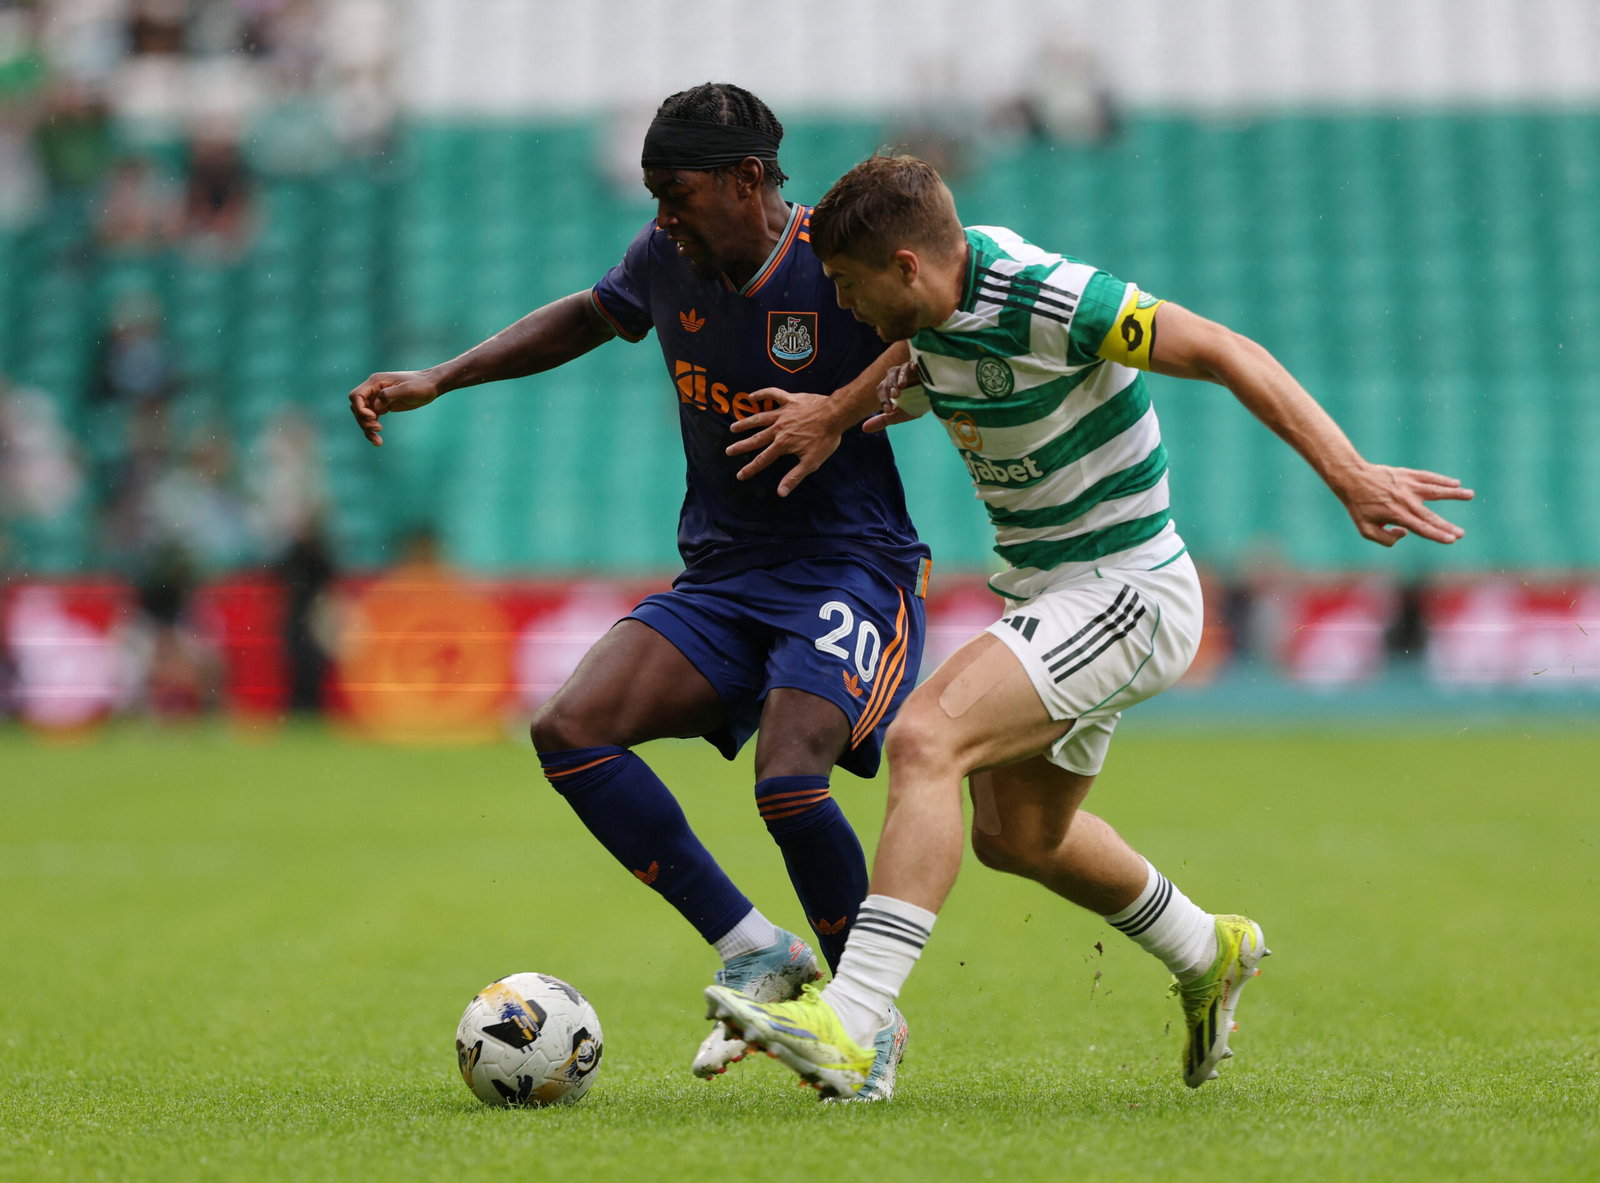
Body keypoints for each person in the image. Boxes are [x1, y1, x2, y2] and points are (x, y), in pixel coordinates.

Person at [706, 153, 1474, 1097]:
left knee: (926, 737)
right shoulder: (930, 305)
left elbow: (1224, 348)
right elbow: (914, 357)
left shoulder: (1049, 296)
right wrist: (835, 411)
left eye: (848, 282)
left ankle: (855, 1020)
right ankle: (1206, 947)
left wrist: (1348, 471)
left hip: (1127, 588)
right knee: (1019, 835)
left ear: (906, 265)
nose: (841, 302)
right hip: (1052, 593)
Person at [347, 86, 931, 1100]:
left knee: (789, 778)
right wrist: (442, 377)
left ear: (746, 180)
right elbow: (589, 314)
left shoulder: (833, 261)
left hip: (850, 566)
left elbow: (934, 334)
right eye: (654, 194)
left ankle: (863, 1017)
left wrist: (836, 411)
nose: (662, 214)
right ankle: (754, 946)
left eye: (677, 192)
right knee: (571, 729)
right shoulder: (667, 255)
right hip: (725, 572)